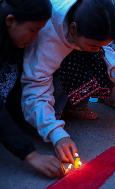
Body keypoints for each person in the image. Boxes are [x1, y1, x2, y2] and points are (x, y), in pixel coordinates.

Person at [21, 0, 115, 165]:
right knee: (39, 122)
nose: (98, 49)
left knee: (98, 59)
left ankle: (71, 106)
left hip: (72, 51)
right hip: (39, 71)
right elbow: (35, 89)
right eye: (93, 45)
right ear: (72, 29)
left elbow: (104, 49)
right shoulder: (47, 38)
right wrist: (56, 133)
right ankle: (56, 112)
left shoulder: (90, 16)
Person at [0, 0, 62, 178]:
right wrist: (31, 155)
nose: (36, 38)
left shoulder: (15, 40)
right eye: (33, 30)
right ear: (10, 20)